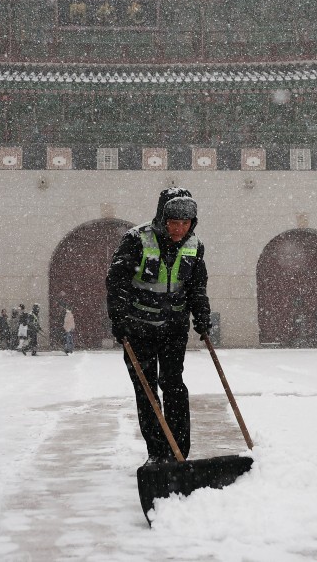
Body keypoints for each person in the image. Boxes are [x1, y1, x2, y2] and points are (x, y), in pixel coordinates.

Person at [106, 187, 211, 464]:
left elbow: (196, 287)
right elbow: (117, 282)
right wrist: (119, 319)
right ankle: (157, 453)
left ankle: (179, 453)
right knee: (147, 390)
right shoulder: (136, 239)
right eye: (174, 223)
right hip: (138, 329)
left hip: (174, 328)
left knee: (174, 385)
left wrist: (201, 316)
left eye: (185, 223)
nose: (179, 229)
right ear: (161, 218)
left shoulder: (194, 245)